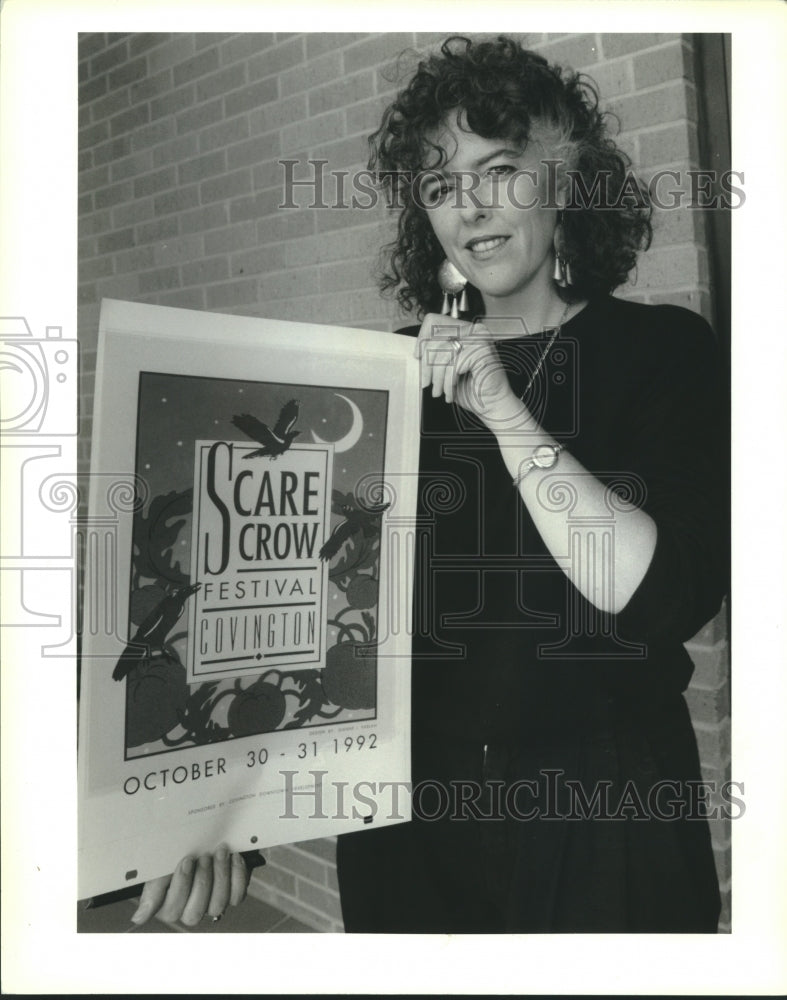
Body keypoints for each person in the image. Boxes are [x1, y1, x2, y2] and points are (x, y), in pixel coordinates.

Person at [132, 34, 727, 932]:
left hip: (608, 819)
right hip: (408, 825)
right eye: (443, 185)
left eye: (499, 170)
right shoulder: (382, 384)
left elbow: (653, 597)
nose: (471, 208)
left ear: (562, 178)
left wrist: (503, 409)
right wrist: (219, 817)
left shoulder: (662, 352)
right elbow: (294, 608)